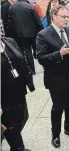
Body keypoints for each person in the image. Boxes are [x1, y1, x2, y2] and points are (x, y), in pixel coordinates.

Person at [36, 5, 69, 148]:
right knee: (58, 107)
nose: (67, 19)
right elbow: (41, 58)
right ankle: (55, 135)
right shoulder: (43, 34)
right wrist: (59, 54)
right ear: (54, 17)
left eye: (68, 17)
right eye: (63, 17)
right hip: (56, 78)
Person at [1, 19, 35, 151]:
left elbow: (22, 60)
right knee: (10, 125)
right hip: (4, 98)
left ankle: (16, 143)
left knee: (22, 118)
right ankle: (17, 147)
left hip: (19, 91)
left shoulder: (9, 41)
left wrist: (29, 81)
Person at [8, 0, 43, 75]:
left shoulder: (12, 7)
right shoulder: (30, 6)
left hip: (21, 34)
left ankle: (32, 70)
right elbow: (38, 21)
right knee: (39, 51)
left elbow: (10, 21)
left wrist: (17, 30)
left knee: (27, 52)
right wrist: (41, 32)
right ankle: (46, 66)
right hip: (33, 33)